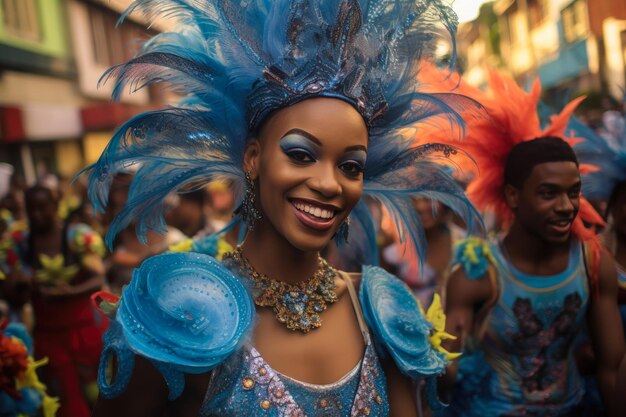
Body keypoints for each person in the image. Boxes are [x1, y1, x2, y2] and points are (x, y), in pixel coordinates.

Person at [83, 1, 481, 416]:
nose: (329, 184)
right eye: (301, 154)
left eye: (350, 166)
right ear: (253, 158)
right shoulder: (181, 313)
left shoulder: (381, 311)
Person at [434, 71, 625, 417]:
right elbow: (447, 374)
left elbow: (610, 369)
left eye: (573, 192)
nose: (566, 206)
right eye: (548, 193)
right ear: (513, 195)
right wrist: (429, 351)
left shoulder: (592, 263)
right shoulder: (478, 273)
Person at [0, 185, 107, 417]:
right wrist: (21, 286)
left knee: (99, 395)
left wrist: (71, 291)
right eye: (32, 209)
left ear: (55, 207)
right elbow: (13, 294)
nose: (37, 215)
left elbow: (99, 278)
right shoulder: (19, 242)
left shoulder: (78, 236)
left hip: (87, 331)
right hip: (48, 336)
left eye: (43, 208)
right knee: (66, 401)